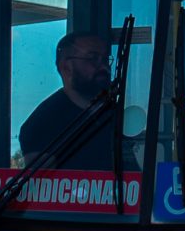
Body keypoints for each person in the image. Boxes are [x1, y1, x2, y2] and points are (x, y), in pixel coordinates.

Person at [18, 31, 116, 169]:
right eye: (92, 58)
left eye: (105, 59)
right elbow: (42, 186)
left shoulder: (121, 114)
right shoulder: (40, 124)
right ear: (66, 67)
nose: (104, 67)